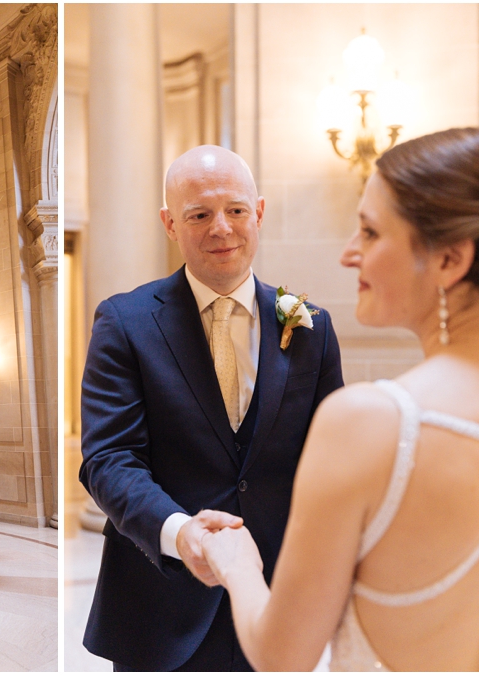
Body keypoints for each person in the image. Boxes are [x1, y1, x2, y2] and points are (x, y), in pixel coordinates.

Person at [199, 127, 479, 672]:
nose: (348, 254)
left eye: (369, 232)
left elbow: (282, 657)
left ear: (449, 259)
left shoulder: (373, 423)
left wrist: (236, 563)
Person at [79, 145, 344, 671]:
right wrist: (181, 534)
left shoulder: (312, 326)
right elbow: (108, 459)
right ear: (170, 224)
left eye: (236, 210)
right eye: (199, 214)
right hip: (160, 602)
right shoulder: (124, 322)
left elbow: (331, 463)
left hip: (276, 602)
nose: (221, 228)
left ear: (260, 212)